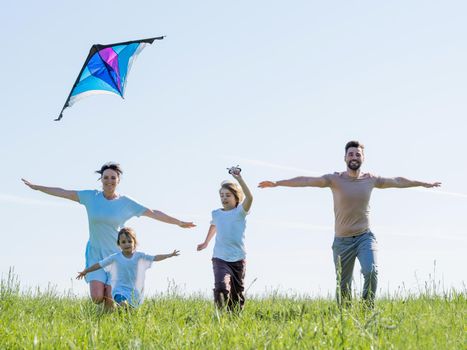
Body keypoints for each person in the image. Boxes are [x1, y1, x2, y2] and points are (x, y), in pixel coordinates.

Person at [258, 141, 441, 306]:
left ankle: (366, 307)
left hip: (364, 237)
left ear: (363, 158)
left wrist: (424, 183)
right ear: (345, 158)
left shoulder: (371, 179)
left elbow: (398, 181)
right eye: (351, 154)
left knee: (371, 271)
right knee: (343, 285)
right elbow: (306, 181)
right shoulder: (334, 179)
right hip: (342, 241)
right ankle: (345, 316)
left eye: (358, 154)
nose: (354, 157)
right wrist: (277, 183)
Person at [22, 162, 194, 309]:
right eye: (106, 177)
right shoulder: (91, 197)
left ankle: (106, 323)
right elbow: (63, 192)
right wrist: (37, 188)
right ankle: (105, 311)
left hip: (116, 257)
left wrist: (178, 222)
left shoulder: (126, 203)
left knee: (111, 298)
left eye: (113, 178)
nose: (109, 181)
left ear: (118, 180)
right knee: (97, 297)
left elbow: (153, 212)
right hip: (95, 253)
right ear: (101, 180)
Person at [77, 227, 179, 308]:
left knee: (128, 312)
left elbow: (154, 257)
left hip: (133, 291)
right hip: (119, 289)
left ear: (134, 243)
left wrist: (169, 255)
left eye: (129, 241)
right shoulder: (115, 257)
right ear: (119, 244)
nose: (127, 244)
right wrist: (86, 271)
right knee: (123, 304)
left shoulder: (139, 256)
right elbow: (100, 264)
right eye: (123, 242)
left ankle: (118, 319)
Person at [197, 166, 253, 311]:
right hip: (220, 258)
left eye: (228, 195)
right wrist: (206, 242)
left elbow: (250, 197)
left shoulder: (241, 212)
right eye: (221, 195)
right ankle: (219, 315)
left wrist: (239, 179)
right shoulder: (216, 213)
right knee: (221, 287)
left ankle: (233, 320)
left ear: (236, 197)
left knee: (236, 295)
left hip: (238, 259)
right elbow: (214, 225)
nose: (224, 198)